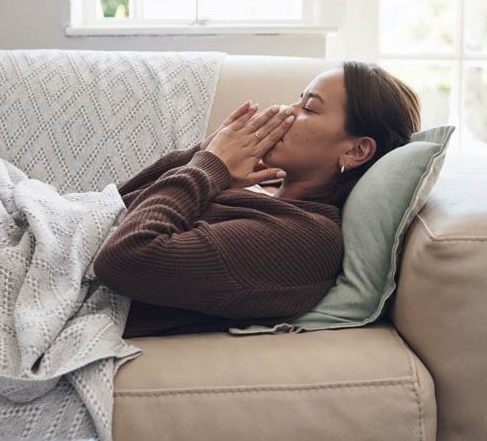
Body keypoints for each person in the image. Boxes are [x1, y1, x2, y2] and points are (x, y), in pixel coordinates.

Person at [92, 61, 421, 338]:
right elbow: (119, 203)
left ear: (355, 150)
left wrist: (209, 167)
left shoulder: (306, 239)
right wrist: (207, 152)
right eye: (297, 100)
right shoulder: (256, 185)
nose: (283, 112)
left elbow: (125, 257)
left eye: (308, 108)